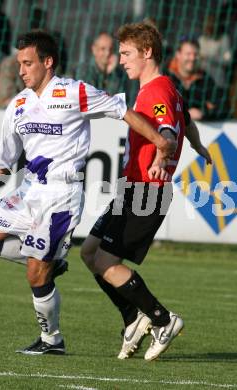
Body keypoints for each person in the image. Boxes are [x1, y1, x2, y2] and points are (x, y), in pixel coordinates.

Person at [0, 30, 175, 356]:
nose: (21, 70)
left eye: (28, 63)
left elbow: (122, 111)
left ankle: (52, 341)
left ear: (48, 62)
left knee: (36, 273)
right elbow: (5, 162)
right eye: (19, 63)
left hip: (62, 196)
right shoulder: (17, 105)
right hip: (29, 191)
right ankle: (50, 259)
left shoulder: (74, 92)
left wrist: (160, 141)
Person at [80, 22, 212, 362]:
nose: (121, 60)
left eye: (126, 53)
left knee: (107, 261)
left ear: (147, 52)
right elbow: (186, 122)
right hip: (132, 187)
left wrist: (158, 157)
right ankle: (131, 318)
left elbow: (167, 131)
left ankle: (163, 319)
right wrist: (198, 146)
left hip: (146, 189)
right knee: (90, 252)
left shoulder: (155, 91)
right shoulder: (167, 88)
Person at [166, 37, 229, 121]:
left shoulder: (205, 79)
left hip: (203, 132)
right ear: (178, 54)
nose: (192, 58)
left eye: (195, 54)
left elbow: (224, 107)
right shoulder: (165, 76)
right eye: (188, 54)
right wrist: (186, 114)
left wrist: (203, 112)